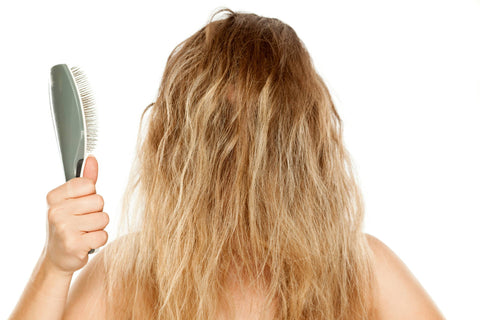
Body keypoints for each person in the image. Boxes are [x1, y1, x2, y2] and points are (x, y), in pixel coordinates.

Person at [9, 8, 445, 320]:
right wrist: (55, 268)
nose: (240, 170)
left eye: (262, 139)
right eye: (218, 134)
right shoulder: (124, 275)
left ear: (303, 156)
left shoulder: (362, 270)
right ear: (174, 150)